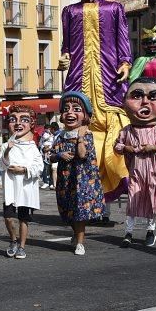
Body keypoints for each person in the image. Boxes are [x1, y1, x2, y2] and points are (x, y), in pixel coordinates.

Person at [58, 0, 131, 204]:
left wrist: (125, 63)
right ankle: (90, 196)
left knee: (113, 136)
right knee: (82, 135)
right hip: (78, 80)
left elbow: (123, 41)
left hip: (110, 83)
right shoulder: (69, 12)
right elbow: (66, 46)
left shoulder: (115, 9)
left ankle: (115, 183)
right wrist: (64, 59)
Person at [114, 77, 156, 247]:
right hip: (135, 171)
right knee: (133, 201)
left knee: (151, 200)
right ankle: (128, 232)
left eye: (153, 97)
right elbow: (116, 145)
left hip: (154, 173)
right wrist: (126, 148)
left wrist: (153, 148)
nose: (145, 102)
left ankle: (150, 230)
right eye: (137, 96)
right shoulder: (127, 130)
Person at [51, 91, 105, 255]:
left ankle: (80, 243)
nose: (70, 112)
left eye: (76, 109)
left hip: (81, 179)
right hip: (65, 179)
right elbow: (52, 156)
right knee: (68, 210)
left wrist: (80, 138)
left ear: (85, 115)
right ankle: (76, 235)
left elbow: (82, 154)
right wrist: (60, 155)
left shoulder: (86, 134)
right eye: (66, 109)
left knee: (80, 210)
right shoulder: (60, 135)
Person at [0, 105, 43, 260]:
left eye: (23, 120)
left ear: (31, 124)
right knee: (8, 217)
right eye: (13, 120)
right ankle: (13, 240)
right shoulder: (5, 146)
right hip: (10, 187)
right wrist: (8, 150)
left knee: (24, 218)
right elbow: (1, 165)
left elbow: (39, 167)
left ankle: (22, 246)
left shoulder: (32, 147)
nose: (18, 123)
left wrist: (24, 170)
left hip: (25, 187)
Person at [39, 124, 56, 190]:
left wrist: (50, 148)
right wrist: (43, 148)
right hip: (44, 153)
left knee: (51, 168)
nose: (48, 130)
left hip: (51, 153)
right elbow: (40, 143)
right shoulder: (44, 135)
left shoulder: (53, 136)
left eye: (49, 129)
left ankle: (51, 183)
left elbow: (54, 143)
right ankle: (45, 182)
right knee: (44, 167)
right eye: (47, 129)